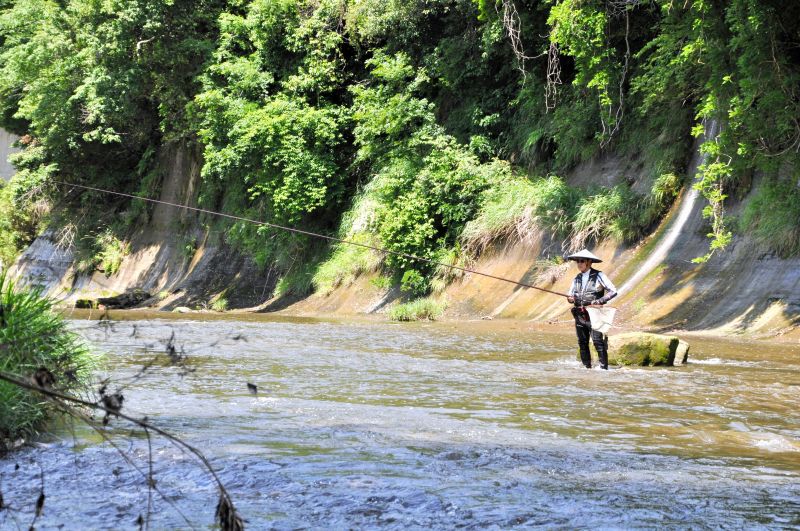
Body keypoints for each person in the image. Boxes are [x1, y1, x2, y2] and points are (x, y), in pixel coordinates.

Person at [566, 249, 617, 370]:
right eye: (577, 261)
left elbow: (613, 291)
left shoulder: (599, 275)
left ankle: (604, 369)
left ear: (589, 262)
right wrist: (570, 299)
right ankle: (586, 368)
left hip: (595, 314)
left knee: (597, 341)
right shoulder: (576, 278)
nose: (579, 264)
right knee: (582, 343)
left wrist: (600, 301)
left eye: (582, 261)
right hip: (580, 315)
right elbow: (570, 295)